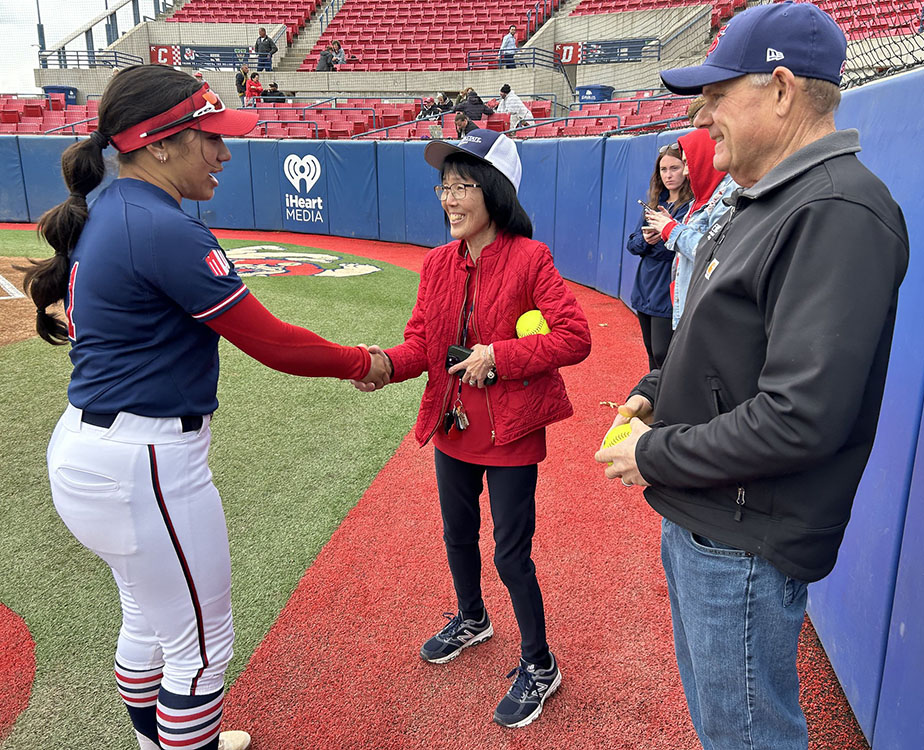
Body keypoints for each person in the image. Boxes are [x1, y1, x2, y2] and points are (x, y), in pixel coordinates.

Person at [20, 64, 390, 750]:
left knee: (149, 621)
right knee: (199, 650)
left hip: (91, 451)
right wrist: (370, 362)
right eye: (208, 138)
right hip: (145, 463)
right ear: (160, 144)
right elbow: (273, 343)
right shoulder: (164, 228)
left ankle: (155, 743)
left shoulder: (114, 206)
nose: (223, 153)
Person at [595, 4, 909, 749]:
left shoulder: (837, 207)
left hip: (743, 539)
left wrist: (651, 454)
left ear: (778, 88)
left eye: (716, 93)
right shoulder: (766, 197)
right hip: (713, 520)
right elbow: (720, 338)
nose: (702, 115)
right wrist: (653, 386)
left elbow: (800, 416)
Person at [355, 129, 591, 728]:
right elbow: (420, 345)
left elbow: (576, 338)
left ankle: (540, 663)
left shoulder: (530, 258)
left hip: (511, 430)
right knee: (457, 537)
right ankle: (472, 617)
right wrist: (383, 365)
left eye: (462, 185)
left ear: (494, 189)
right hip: (453, 424)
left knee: (511, 556)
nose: (449, 198)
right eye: (445, 186)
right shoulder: (436, 263)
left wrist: (500, 355)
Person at [643, 125, 735, 330]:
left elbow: (712, 252)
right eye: (664, 169)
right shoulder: (702, 198)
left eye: (685, 163)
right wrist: (670, 226)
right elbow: (635, 244)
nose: (685, 171)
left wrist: (669, 228)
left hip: (704, 312)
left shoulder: (728, 193)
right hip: (682, 302)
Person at [625, 143, 692, 370]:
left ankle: (667, 401)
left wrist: (661, 238)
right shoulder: (655, 204)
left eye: (674, 168)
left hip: (668, 287)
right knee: (651, 352)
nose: (669, 175)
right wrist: (647, 240)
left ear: (685, 169)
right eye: (663, 170)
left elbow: (675, 249)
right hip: (645, 285)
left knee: (665, 353)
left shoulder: (690, 206)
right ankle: (653, 401)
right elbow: (632, 244)